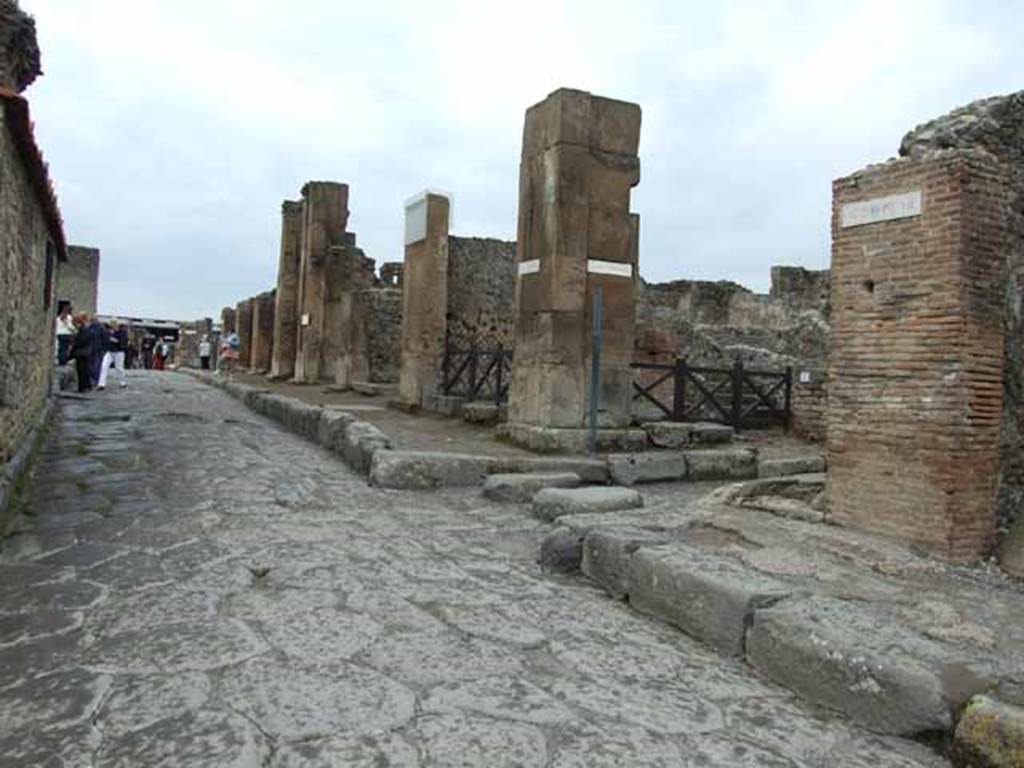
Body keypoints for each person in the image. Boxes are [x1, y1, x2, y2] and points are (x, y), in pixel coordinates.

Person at [98, 321, 129, 390]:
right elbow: (105, 340)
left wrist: (115, 340)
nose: (113, 326)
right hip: (110, 351)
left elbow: (123, 342)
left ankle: (123, 382)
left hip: (119, 352)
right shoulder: (108, 332)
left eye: (114, 324)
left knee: (119, 368)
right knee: (104, 366)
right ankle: (101, 384)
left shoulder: (122, 332)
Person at [68, 314, 94, 392]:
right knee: (84, 370)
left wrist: (73, 343)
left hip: (82, 353)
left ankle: (82, 388)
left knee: (82, 371)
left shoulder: (83, 330)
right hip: (84, 353)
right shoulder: (84, 329)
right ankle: (87, 386)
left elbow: (81, 341)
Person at [86, 316, 106, 388]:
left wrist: (104, 348)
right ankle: (93, 378)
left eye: (93, 320)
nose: (92, 321)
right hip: (91, 348)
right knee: (91, 364)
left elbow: (104, 338)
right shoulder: (90, 327)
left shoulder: (100, 328)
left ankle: (95, 379)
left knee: (97, 364)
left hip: (98, 349)